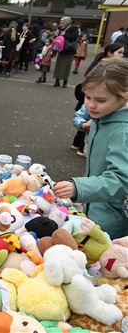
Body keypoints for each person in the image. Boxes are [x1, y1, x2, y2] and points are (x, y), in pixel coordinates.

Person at [53, 57, 128, 240]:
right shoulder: (103, 116)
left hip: (113, 219)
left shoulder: (122, 131)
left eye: (100, 100)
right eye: (87, 97)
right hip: (98, 208)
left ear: (124, 95)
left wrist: (79, 187)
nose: (91, 105)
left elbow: (121, 179)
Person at [52, 16, 79, 88]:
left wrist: (65, 35)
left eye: (62, 22)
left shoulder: (74, 28)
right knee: (58, 66)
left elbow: (74, 37)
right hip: (61, 50)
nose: (61, 24)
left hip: (69, 50)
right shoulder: (61, 29)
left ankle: (65, 82)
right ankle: (57, 81)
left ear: (67, 22)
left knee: (66, 66)